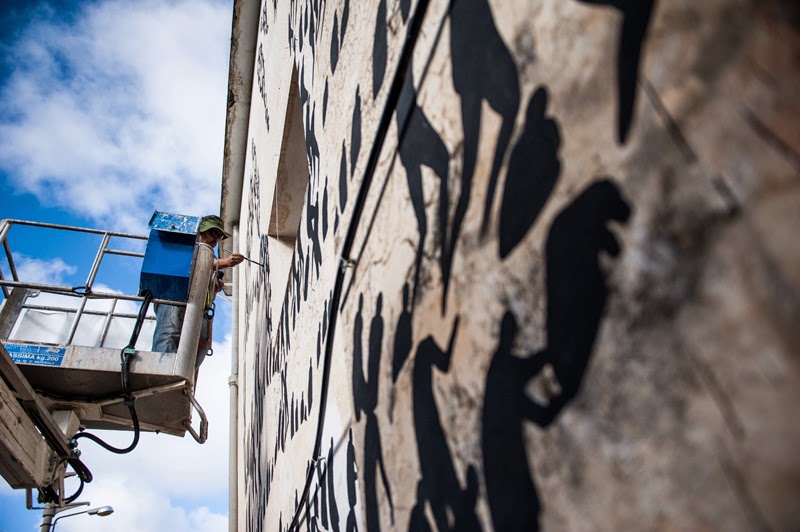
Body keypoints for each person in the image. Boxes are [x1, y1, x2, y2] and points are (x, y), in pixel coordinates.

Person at [152, 215, 244, 371]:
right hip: (173, 296)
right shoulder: (186, 248)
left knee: (200, 344)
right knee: (170, 334)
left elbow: (208, 296)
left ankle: (184, 375)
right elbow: (193, 263)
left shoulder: (210, 260)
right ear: (201, 231)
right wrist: (224, 262)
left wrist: (214, 289)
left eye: (220, 236)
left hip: (198, 308)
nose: (216, 239)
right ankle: (163, 371)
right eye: (213, 233)